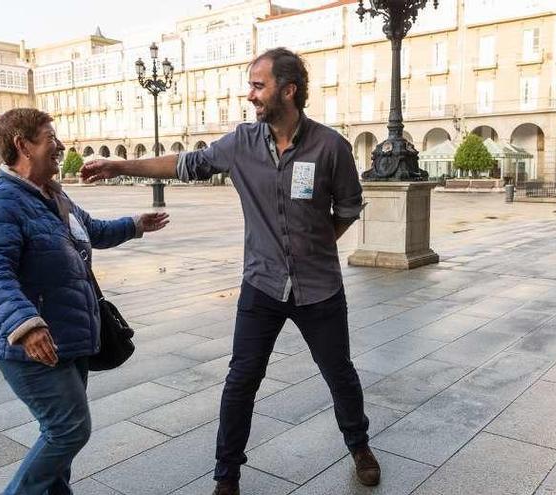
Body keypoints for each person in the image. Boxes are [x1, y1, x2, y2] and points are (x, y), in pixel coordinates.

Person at [82, 47, 377, 495]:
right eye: (251, 85)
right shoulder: (241, 143)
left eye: (259, 86)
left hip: (319, 289)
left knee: (339, 372)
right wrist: (118, 165)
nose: (251, 95)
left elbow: (349, 208)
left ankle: (359, 446)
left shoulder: (330, 146)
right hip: (261, 286)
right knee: (241, 379)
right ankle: (226, 475)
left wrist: (315, 246)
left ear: (289, 90)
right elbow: (184, 164)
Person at [0, 108, 169, 494]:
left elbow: (90, 231)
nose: (60, 146)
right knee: (68, 428)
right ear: (22, 145)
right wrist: (24, 326)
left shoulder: (53, 196)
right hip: (33, 345)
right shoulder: (0, 204)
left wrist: (135, 224)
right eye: (50, 137)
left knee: (58, 434)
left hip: (68, 337)